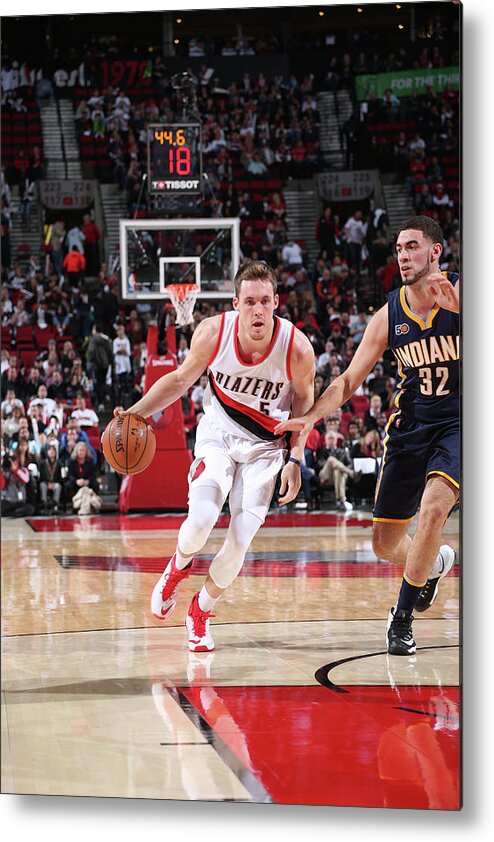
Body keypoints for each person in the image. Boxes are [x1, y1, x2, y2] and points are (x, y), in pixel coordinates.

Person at [275, 216, 459, 657]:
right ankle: (432, 564)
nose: (403, 255)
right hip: (409, 428)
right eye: (398, 249)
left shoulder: (462, 292)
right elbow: (348, 380)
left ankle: (401, 619)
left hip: (459, 424)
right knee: (384, 543)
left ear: (435, 251)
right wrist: (312, 417)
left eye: (412, 247)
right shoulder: (387, 315)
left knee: (434, 510)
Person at [115, 260, 315, 653]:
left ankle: (201, 611)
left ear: (277, 302)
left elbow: (304, 408)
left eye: (264, 302)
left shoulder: (297, 348)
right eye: (249, 302)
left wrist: (295, 459)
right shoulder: (212, 333)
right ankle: (178, 565)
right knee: (203, 518)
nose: (257, 310)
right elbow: (177, 381)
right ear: (235, 303)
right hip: (218, 437)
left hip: (266, 449)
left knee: (239, 540)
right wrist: (135, 412)